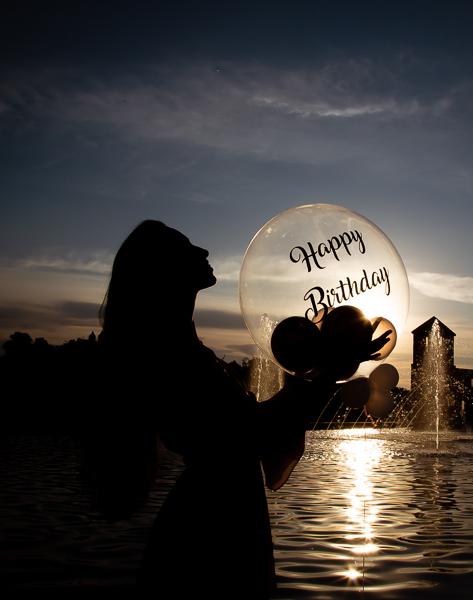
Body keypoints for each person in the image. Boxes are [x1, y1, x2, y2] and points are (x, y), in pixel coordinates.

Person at [92, 220, 385, 598]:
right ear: (164, 270)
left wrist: (320, 357)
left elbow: (254, 424)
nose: (204, 252)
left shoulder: (182, 349)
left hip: (220, 505)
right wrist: (331, 367)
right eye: (188, 248)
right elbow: (257, 429)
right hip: (214, 520)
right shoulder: (172, 356)